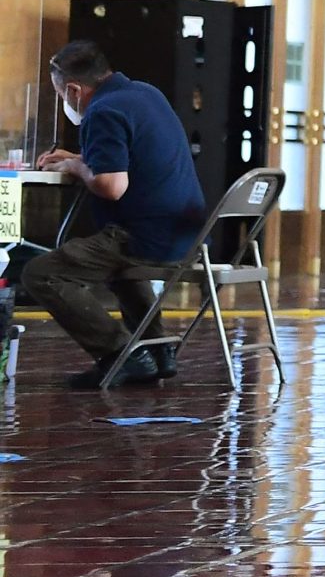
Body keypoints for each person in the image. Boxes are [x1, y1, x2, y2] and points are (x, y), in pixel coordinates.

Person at [23, 41, 209, 389]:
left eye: (62, 94)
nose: (65, 102)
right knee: (117, 268)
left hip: (146, 236)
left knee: (41, 273)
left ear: (75, 89)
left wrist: (77, 166)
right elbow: (125, 157)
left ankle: (120, 353)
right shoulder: (145, 94)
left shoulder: (103, 110)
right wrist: (83, 157)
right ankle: (156, 351)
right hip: (191, 234)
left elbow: (111, 186)